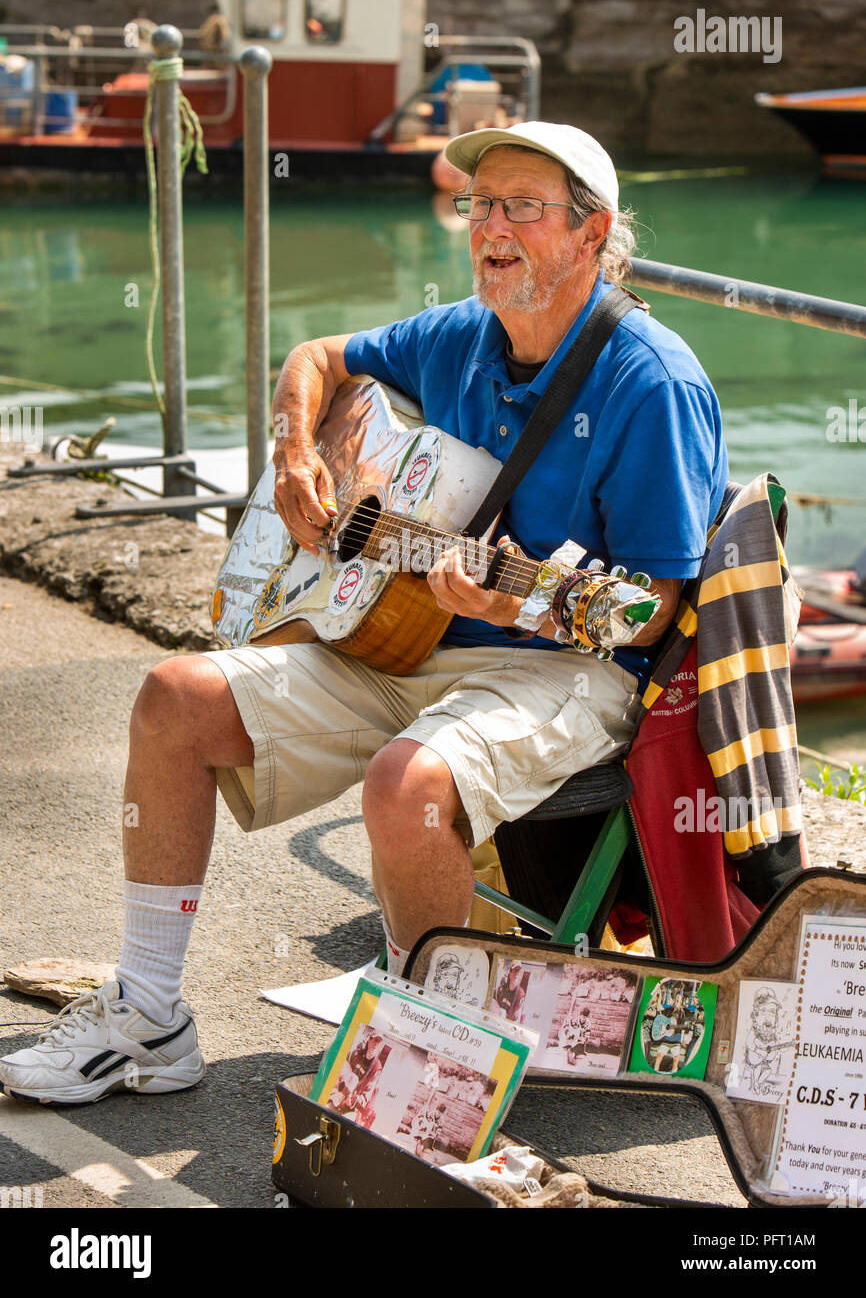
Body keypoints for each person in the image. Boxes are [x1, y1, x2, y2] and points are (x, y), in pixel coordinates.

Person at [0, 121, 728, 1105]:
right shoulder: (460, 337)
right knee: (172, 697)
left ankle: (434, 1061)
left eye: (521, 207)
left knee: (405, 784)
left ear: (590, 234)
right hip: (404, 640)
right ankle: (148, 1014)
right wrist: (296, 448)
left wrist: (524, 606)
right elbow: (316, 353)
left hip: (564, 664)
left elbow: (646, 611)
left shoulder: (651, 382)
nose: (488, 227)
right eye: (479, 205)